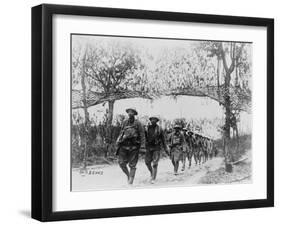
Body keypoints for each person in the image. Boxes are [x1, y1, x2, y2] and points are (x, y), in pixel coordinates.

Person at [116, 108, 146, 185]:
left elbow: (142, 135)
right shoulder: (125, 122)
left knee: (132, 165)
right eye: (129, 112)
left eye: (132, 112)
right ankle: (129, 175)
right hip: (124, 146)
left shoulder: (138, 123)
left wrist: (142, 146)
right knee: (121, 163)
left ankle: (130, 182)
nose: (130, 113)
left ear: (134, 114)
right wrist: (118, 142)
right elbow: (121, 133)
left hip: (134, 147)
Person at [145, 116, 169, 184]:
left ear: (156, 121)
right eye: (152, 119)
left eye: (154, 119)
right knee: (147, 162)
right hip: (148, 147)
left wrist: (166, 148)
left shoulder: (159, 129)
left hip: (156, 148)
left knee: (155, 164)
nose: (153, 120)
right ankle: (151, 172)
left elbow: (163, 140)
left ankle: (153, 178)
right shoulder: (147, 128)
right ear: (150, 120)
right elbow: (143, 137)